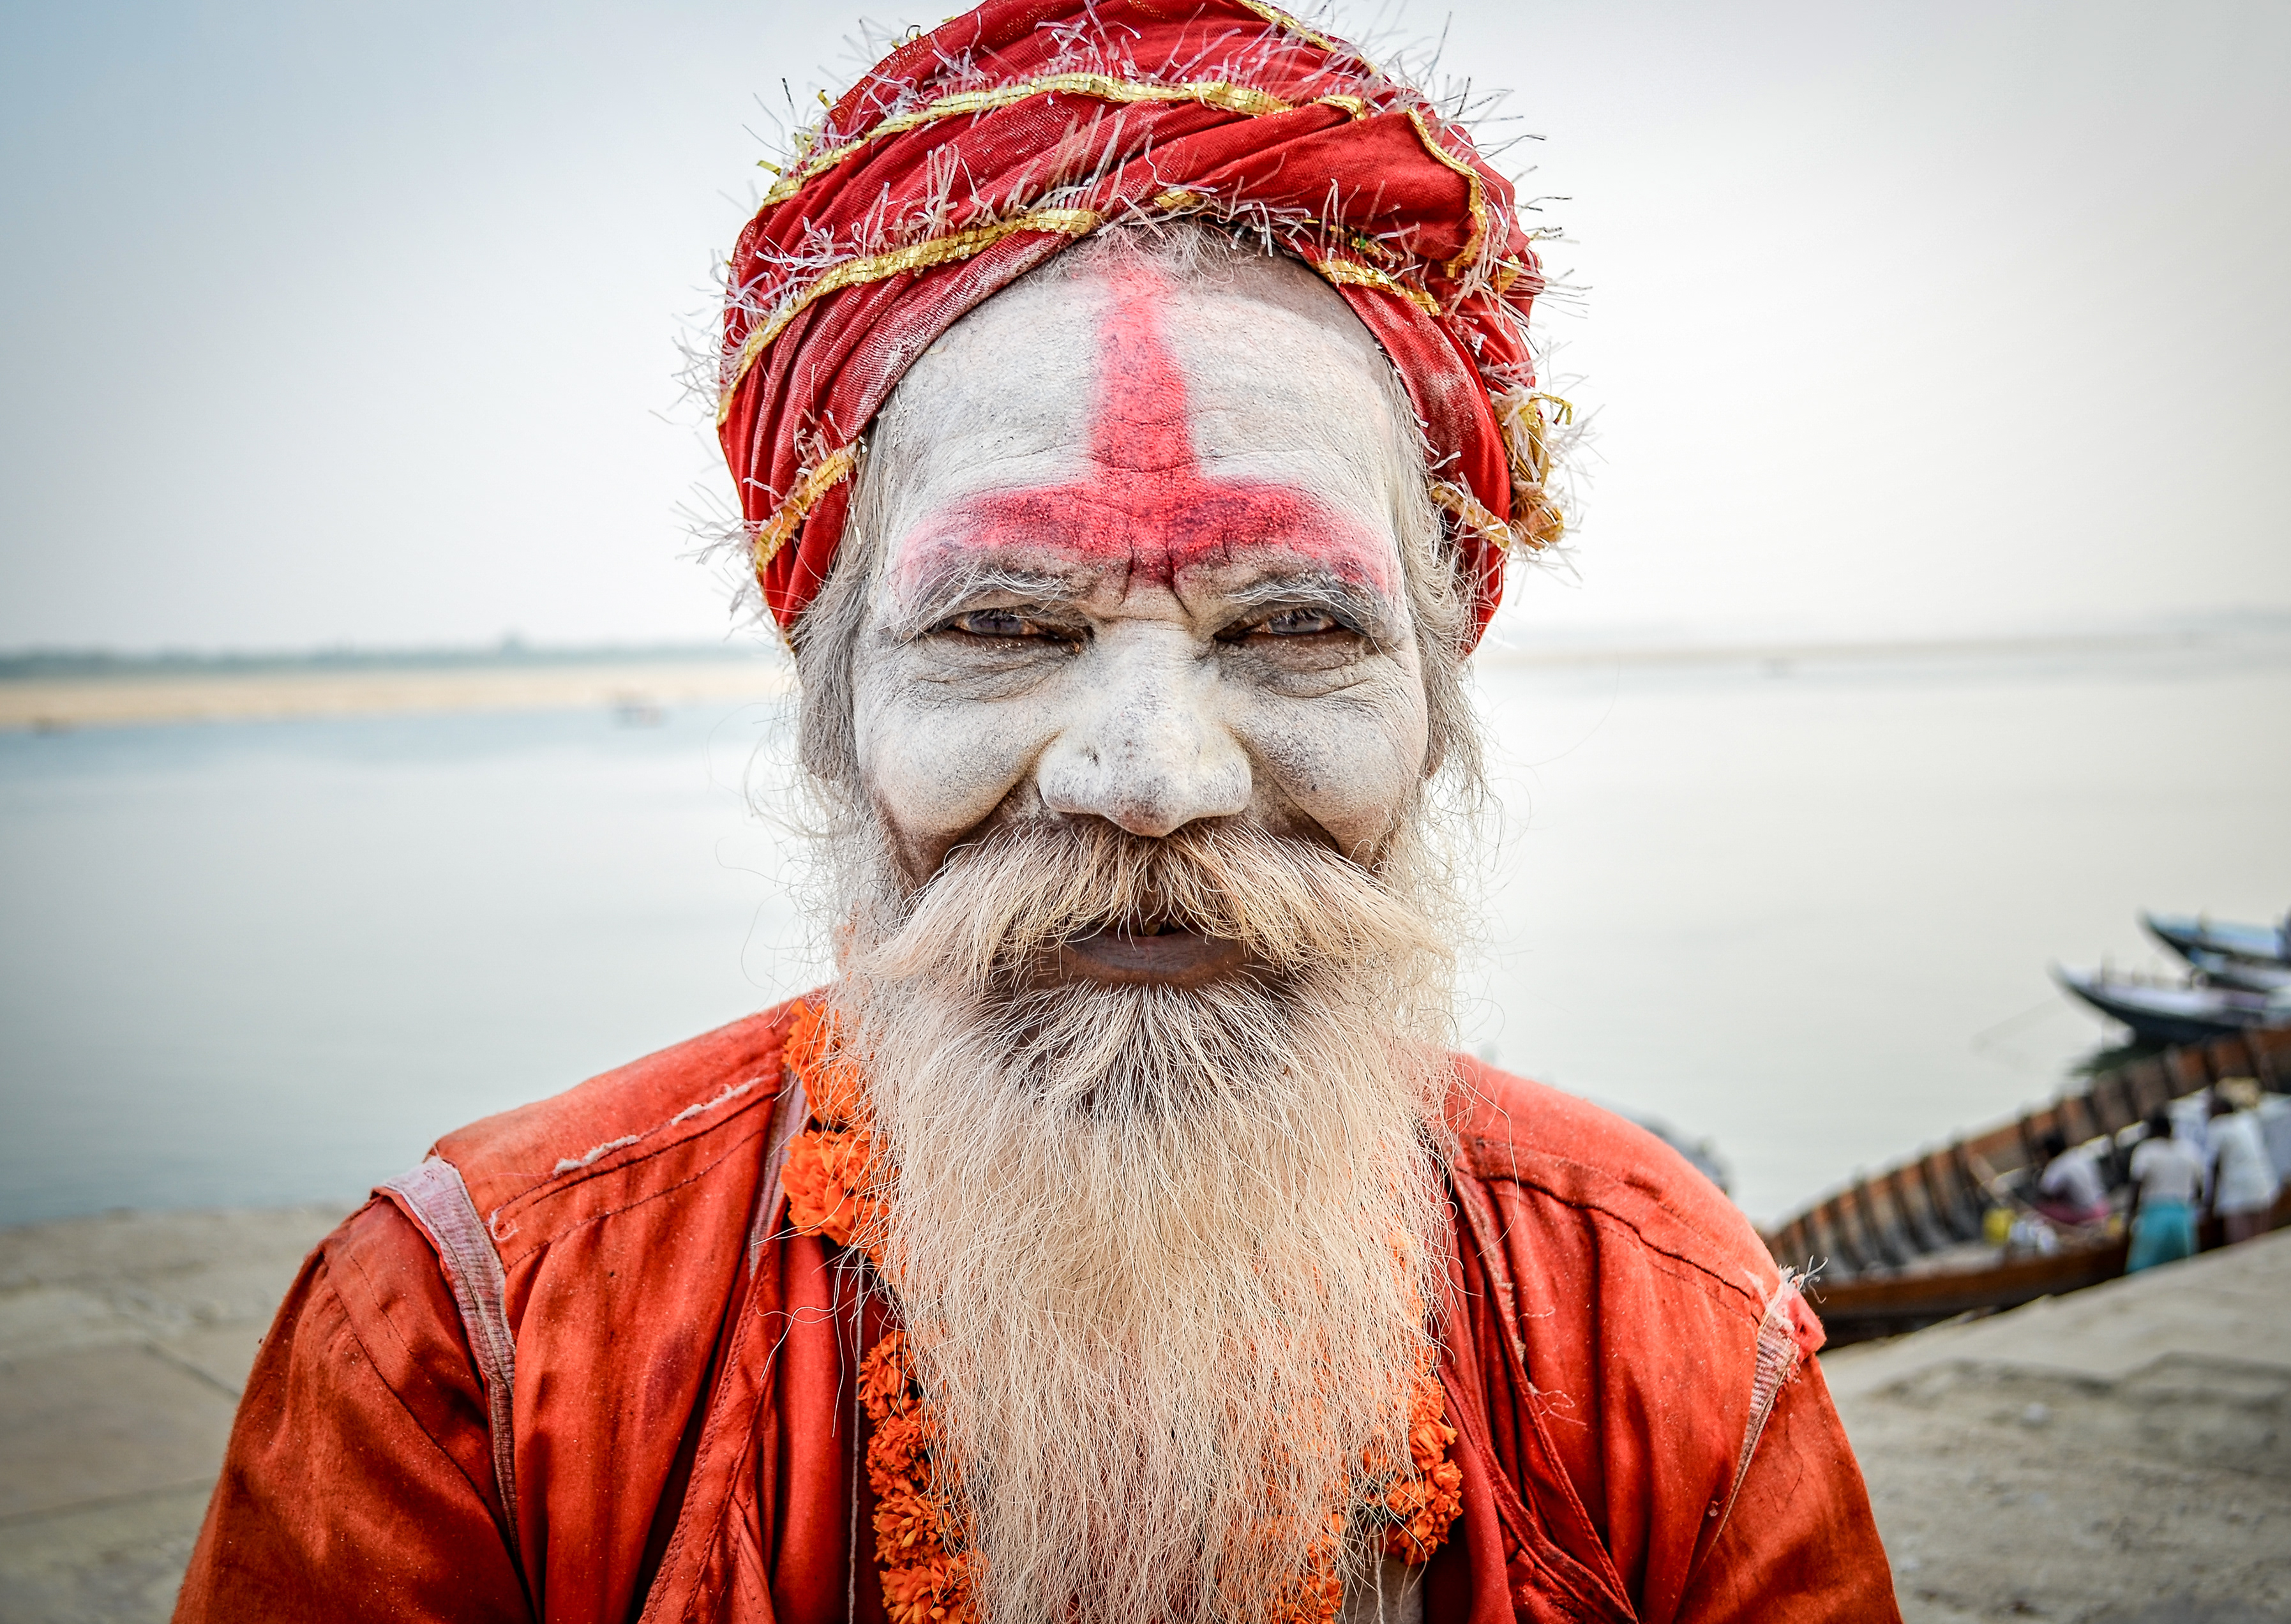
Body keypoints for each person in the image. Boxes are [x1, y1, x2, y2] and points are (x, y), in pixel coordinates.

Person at [174, 5, 1900, 1621]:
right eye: (1000, 627)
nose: (1148, 781)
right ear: (835, 714)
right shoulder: (468, 1346)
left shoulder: (1672, 1330)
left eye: (1297, 629)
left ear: (1439, 714)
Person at [2124, 1108, 2208, 1274]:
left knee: (2141, 1271)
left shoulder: (2146, 1151)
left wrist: (2129, 1218)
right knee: (2184, 1269)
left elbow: (2136, 1187)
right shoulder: (2189, 1149)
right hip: (2183, 1216)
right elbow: (2199, 1190)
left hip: (2155, 1216)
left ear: (2153, 1130)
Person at [2205, 1090, 2281, 1245]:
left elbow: (2214, 1167)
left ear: (2220, 1110)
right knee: (2261, 1241)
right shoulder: (2248, 1120)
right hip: (2264, 1185)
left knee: (2240, 1245)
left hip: (2240, 1192)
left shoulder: (2217, 1127)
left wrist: (2210, 1203)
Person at [2031, 1130, 2109, 1227]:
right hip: (2103, 1207)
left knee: (2042, 1210)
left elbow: (2045, 1193)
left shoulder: (2057, 1166)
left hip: (2086, 1214)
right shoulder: (2080, 1154)